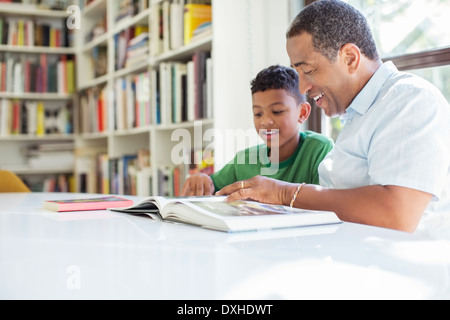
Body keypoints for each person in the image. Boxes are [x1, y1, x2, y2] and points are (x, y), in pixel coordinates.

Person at [217, 0, 450, 238]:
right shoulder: (359, 115)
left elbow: (396, 214)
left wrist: (284, 194)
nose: (303, 86)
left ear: (350, 58)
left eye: (307, 70)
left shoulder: (408, 100)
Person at [181, 64, 334, 196]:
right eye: (258, 113)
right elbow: (212, 185)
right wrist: (202, 179)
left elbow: (325, 201)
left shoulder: (318, 149)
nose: (265, 121)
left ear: (302, 113)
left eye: (277, 111)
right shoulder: (244, 160)